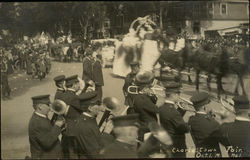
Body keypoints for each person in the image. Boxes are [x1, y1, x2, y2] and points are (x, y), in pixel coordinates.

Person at [51, 91, 104, 159]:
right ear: (90, 108)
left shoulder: (89, 119)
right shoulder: (84, 125)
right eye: (99, 104)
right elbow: (94, 153)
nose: (101, 107)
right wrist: (107, 134)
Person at [158, 82, 189, 158]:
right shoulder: (173, 112)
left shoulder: (162, 107)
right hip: (176, 144)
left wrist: (182, 110)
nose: (179, 96)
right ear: (173, 95)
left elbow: (171, 119)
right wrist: (191, 121)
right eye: (178, 94)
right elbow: (185, 129)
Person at [28, 95, 65, 159]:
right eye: (48, 105)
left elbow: (47, 131)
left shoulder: (41, 117)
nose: (50, 107)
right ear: (40, 107)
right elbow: (47, 143)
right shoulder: (37, 123)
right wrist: (57, 126)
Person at [188, 92, 222, 158]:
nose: (211, 106)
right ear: (204, 107)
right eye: (209, 103)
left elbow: (201, 122)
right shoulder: (213, 123)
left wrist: (209, 116)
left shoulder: (191, 120)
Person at [129, 71, 159, 143]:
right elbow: (156, 110)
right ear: (145, 88)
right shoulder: (143, 99)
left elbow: (153, 102)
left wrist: (152, 96)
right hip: (147, 128)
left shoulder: (139, 97)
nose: (150, 89)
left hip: (144, 126)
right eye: (149, 88)